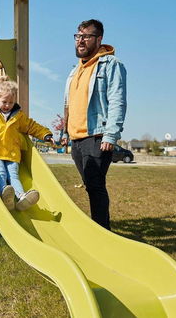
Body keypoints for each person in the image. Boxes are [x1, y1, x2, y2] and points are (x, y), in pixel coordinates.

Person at [60, 19, 127, 230]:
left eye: (86, 36)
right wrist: (65, 131)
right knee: (90, 185)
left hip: (96, 136)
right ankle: (100, 229)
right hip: (77, 139)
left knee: (95, 186)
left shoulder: (111, 65)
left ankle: (102, 232)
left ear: (99, 39)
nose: (80, 41)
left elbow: (117, 100)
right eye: (78, 36)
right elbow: (69, 104)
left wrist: (110, 135)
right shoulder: (74, 71)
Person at [0, 76, 54, 211]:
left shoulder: (18, 115)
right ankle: (5, 194)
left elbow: (31, 126)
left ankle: (21, 197)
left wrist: (46, 134)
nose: (7, 105)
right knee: (1, 173)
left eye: (11, 102)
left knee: (14, 175)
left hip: (12, 153)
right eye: (4, 102)